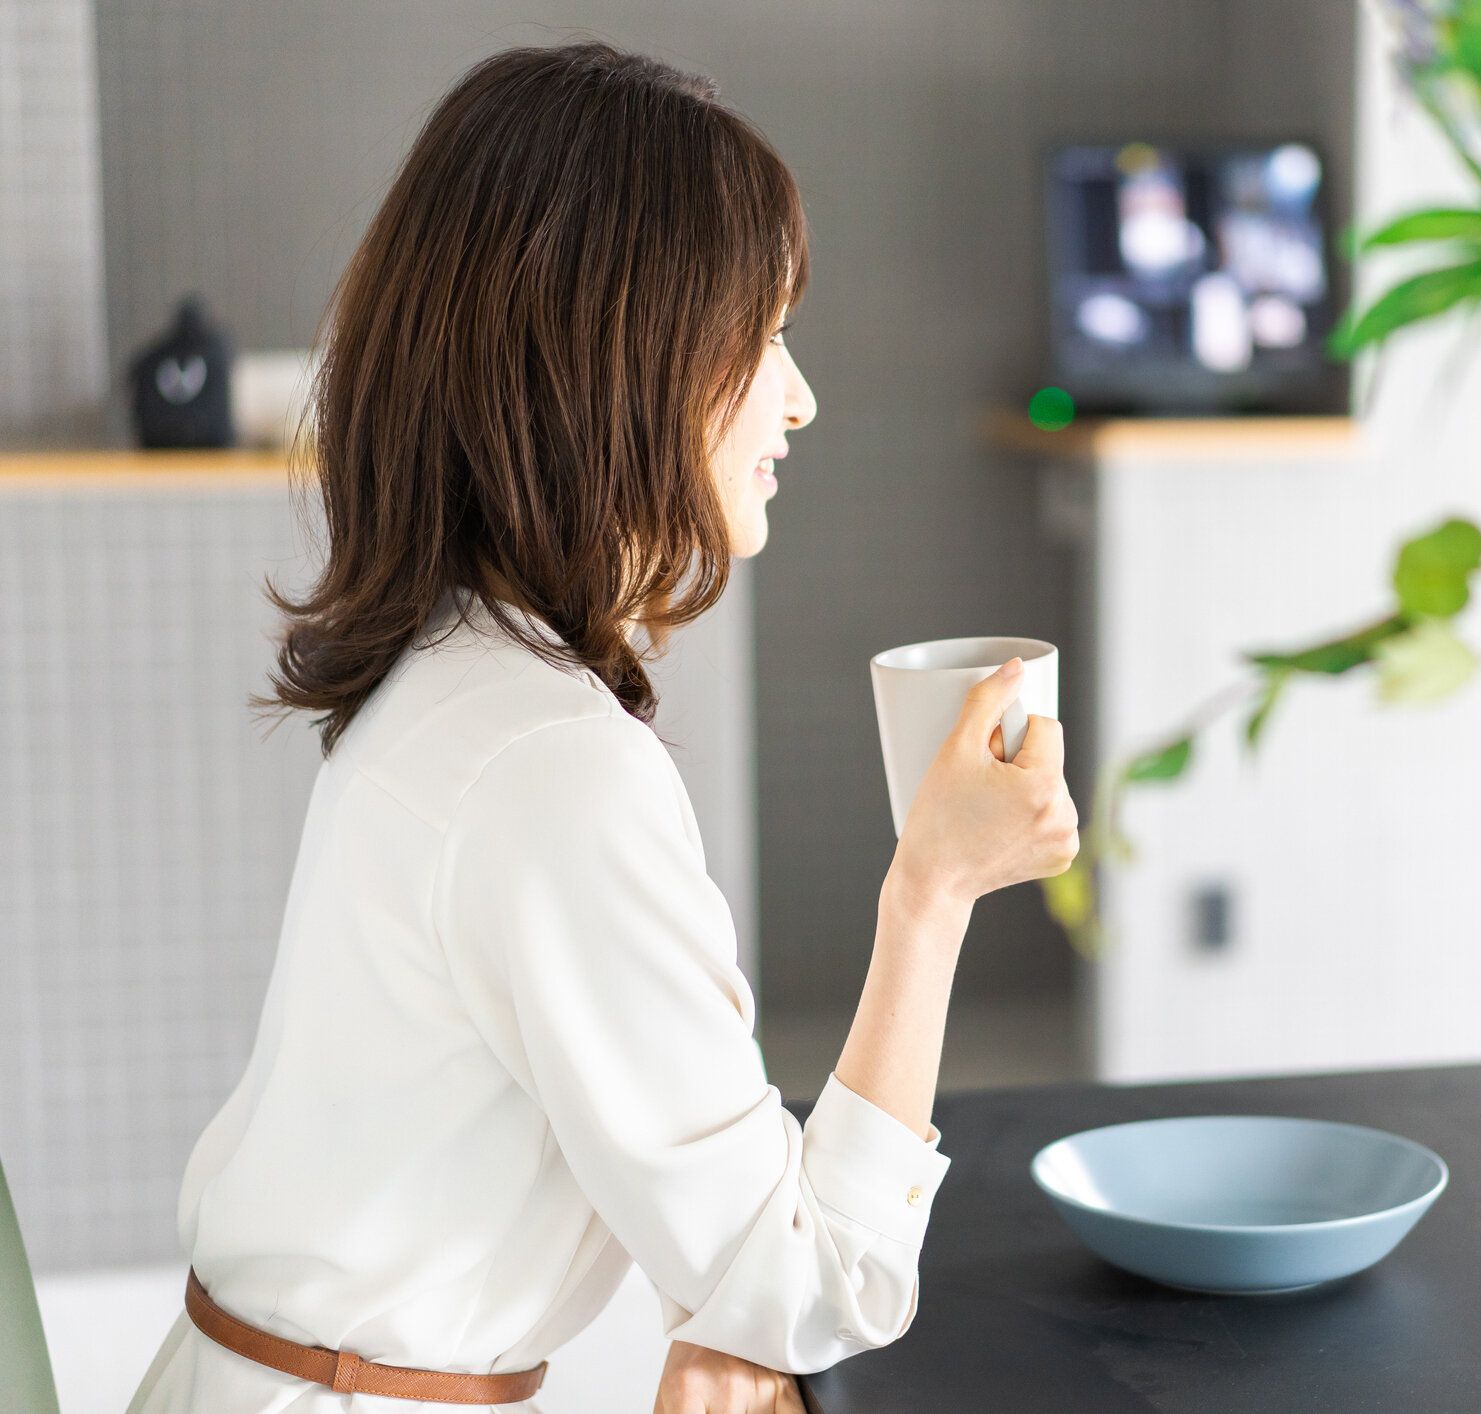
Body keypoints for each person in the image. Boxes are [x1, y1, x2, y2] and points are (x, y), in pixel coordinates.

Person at [124, 41, 1077, 1414]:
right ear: (617, 365)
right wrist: (933, 886)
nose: (798, 397)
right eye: (762, 339)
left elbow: (716, 1225)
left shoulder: (456, 670)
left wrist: (726, 1299)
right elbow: (821, 1283)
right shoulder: (555, 769)